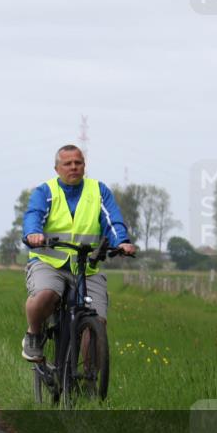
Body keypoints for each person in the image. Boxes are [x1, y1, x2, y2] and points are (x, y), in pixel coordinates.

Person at [21, 145, 135, 362]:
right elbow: (33, 216)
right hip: (49, 263)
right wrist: (33, 233)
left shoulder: (98, 191)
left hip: (87, 267)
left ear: (84, 166)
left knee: (97, 322)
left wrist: (121, 242)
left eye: (78, 162)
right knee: (46, 294)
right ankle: (34, 335)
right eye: (67, 163)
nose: (73, 167)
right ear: (57, 168)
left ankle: (90, 382)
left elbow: (112, 221)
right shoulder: (45, 192)